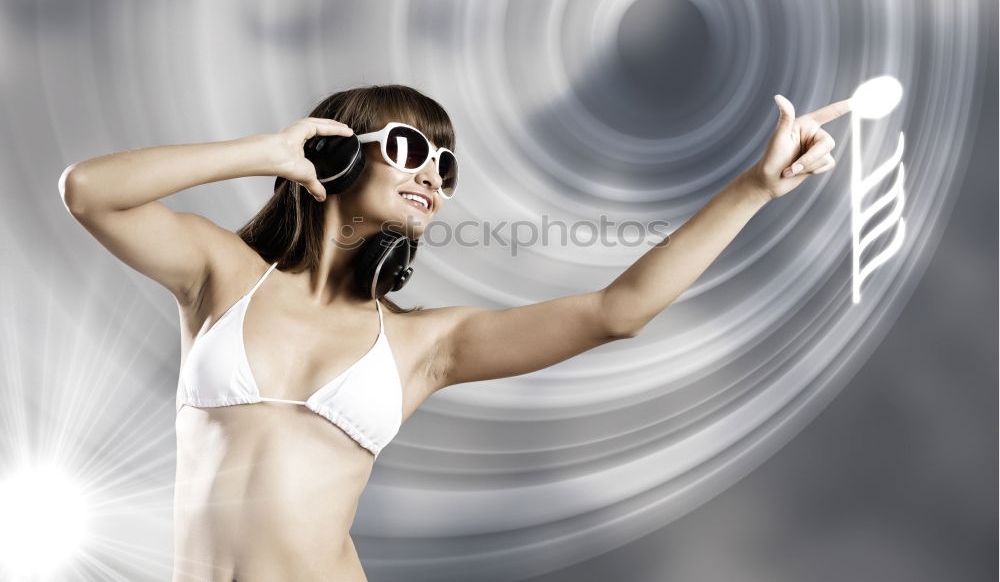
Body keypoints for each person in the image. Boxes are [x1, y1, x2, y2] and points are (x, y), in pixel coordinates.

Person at [58, 84, 847, 581]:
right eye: (409, 148)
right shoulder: (221, 274)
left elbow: (619, 311)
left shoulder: (421, 345)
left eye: (446, 163)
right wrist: (264, 152)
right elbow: (89, 191)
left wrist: (754, 188)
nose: (433, 173)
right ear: (334, 152)